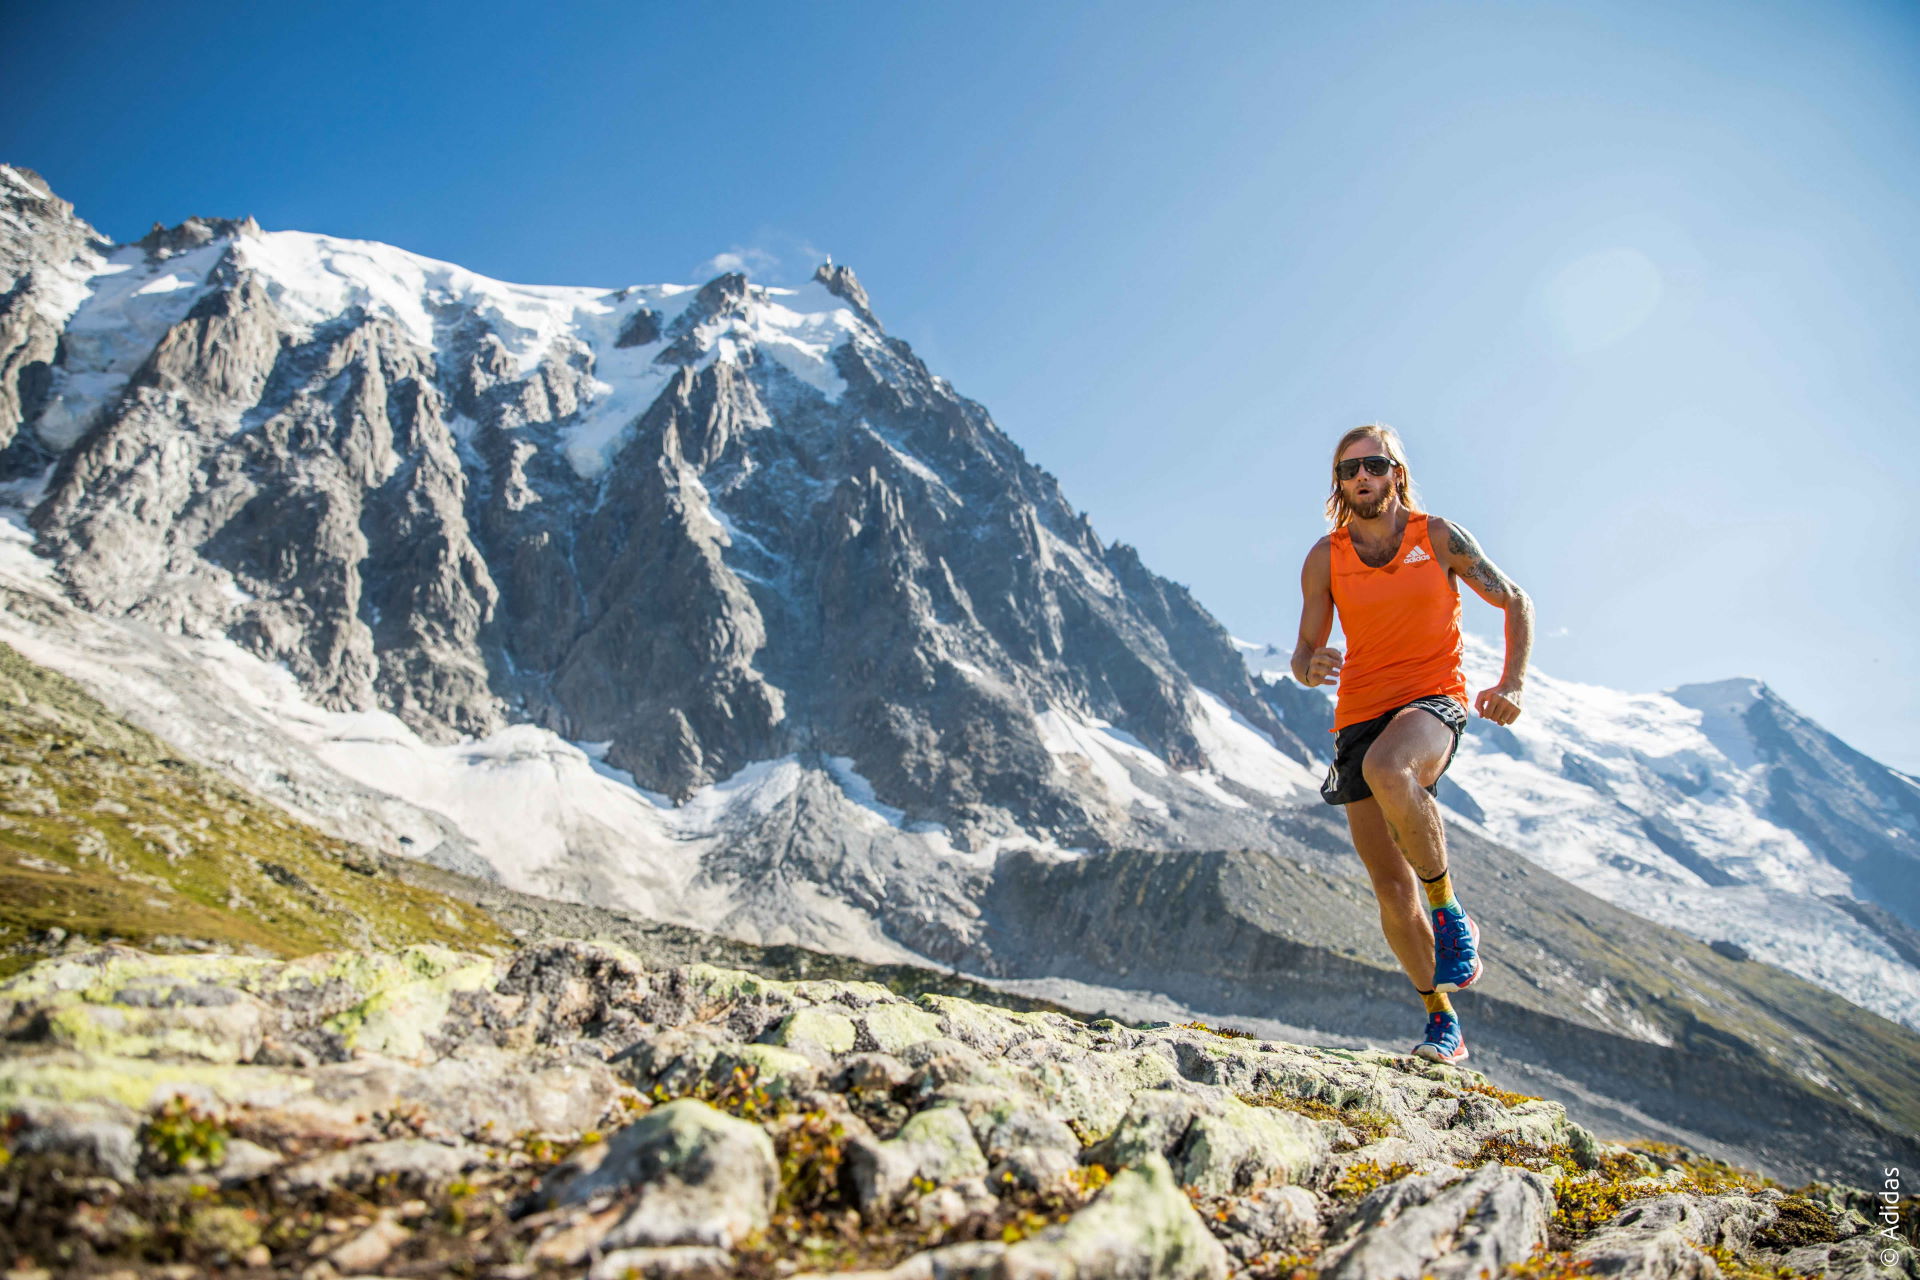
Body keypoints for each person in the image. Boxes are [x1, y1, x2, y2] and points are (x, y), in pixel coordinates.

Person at [1290, 424, 1532, 1064]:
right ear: (1340, 484)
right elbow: (1303, 653)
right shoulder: (1326, 557)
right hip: (1358, 713)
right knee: (1390, 889)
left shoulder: (1439, 537)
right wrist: (1310, 666)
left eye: (1374, 464)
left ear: (1397, 472)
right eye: (1349, 470)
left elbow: (1515, 602)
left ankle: (1451, 912)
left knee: (1390, 767)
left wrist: (1511, 682)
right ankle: (1441, 1019)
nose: (1362, 477)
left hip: (1433, 700)